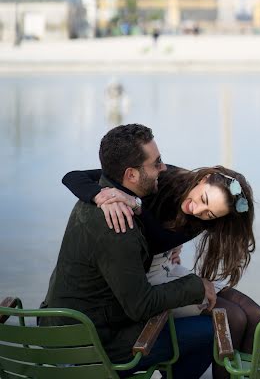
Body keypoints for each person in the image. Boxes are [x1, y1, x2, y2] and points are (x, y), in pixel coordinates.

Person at [40, 124, 215, 379]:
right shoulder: (117, 222)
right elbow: (141, 306)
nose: (163, 169)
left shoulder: (99, 196)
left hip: (62, 326)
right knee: (208, 332)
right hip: (89, 344)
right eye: (156, 163)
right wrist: (197, 286)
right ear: (131, 175)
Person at [63, 155, 260, 376]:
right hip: (143, 276)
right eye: (203, 199)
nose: (198, 210)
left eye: (210, 213)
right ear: (203, 178)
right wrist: (101, 195)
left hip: (165, 267)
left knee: (254, 313)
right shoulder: (164, 175)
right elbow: (73, 177)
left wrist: (137, 205)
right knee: (232, 317)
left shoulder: (201, 218)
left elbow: (160, 240)